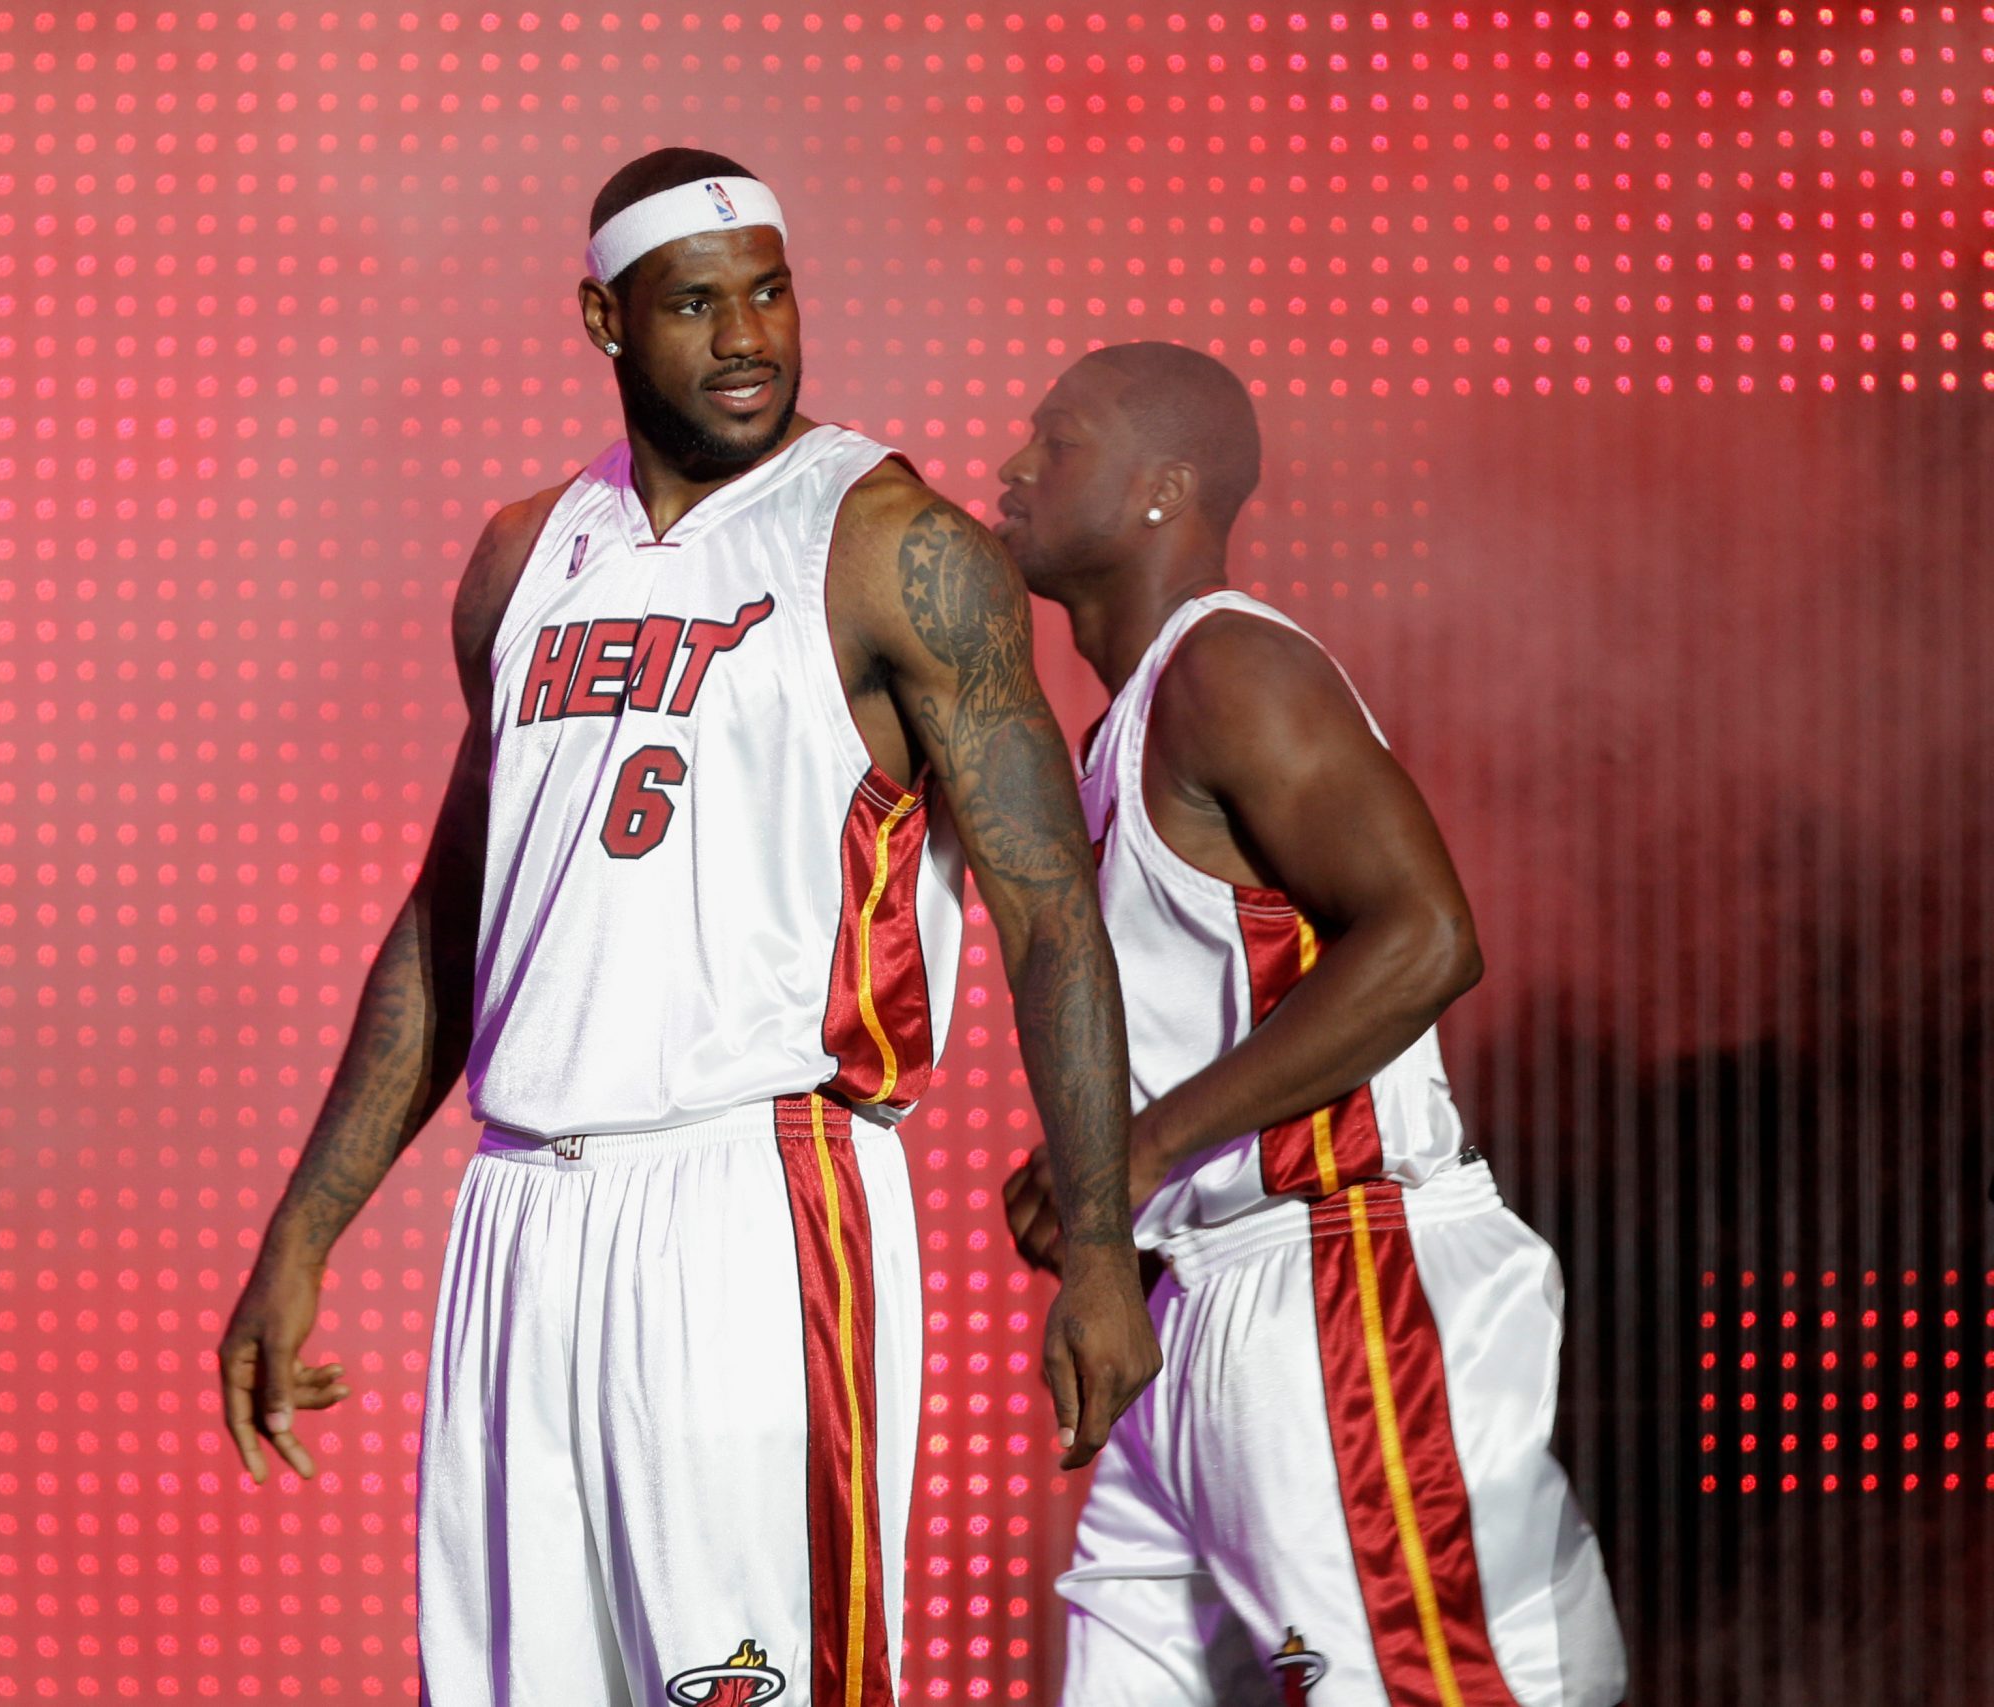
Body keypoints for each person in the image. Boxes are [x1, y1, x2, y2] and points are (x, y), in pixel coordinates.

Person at [216, 150, 1156, 1707]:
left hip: (758, 1195)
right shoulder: (524, 556)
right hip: (521, 1217)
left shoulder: (890, 543)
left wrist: (1103, 1253)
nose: (747, 338)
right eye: (697, 304)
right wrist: (302, 1234)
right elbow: (455, 927)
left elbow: (1054, 917)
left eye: (771, 292)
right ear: (603, 318)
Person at [995, 343, 1627, 1707]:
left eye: (1062, 439)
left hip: (1339, 1282)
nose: (1014, 466)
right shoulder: (1116, 730)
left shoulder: (1231, 668)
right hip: (1192, 1311)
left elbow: (1429, 937)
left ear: (1164, 488)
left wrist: (1140, 1145)